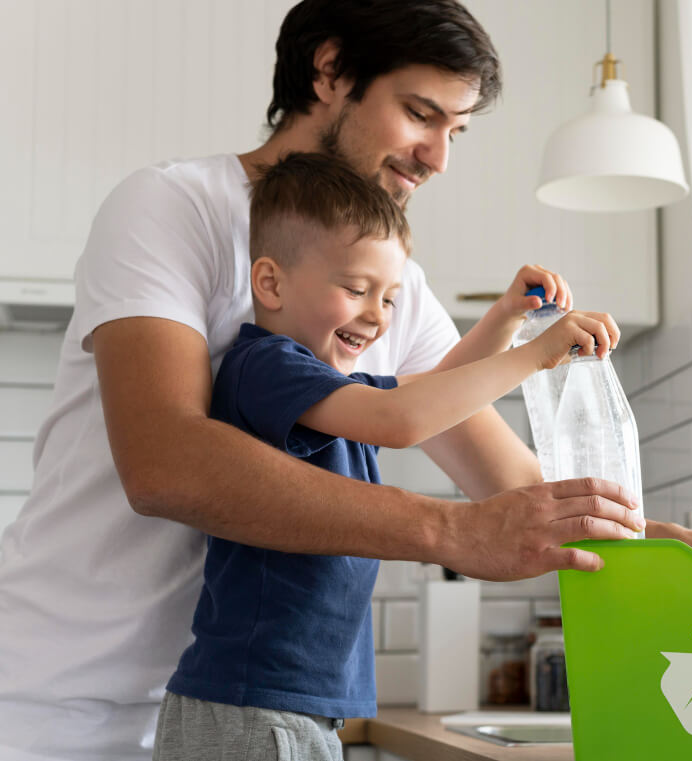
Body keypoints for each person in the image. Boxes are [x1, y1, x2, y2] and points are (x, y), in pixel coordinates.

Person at [0, 2, 692, 759]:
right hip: (60, 705)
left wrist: (684, 546)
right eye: (421, 113)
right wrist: (451, 530)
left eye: (455, 130)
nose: (438, 156)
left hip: (249, 702)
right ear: (330, 72)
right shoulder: (174, 208)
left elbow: (516, 488)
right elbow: (164, 463)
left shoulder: (386, 286)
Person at [153, 150, 628, 760]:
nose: (377, 317)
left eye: (390, 299)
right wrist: (537, 355)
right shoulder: (267, 367)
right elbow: (404, 420)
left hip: (283, 707)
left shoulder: (324, 388)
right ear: (269, 283)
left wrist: (506, 320)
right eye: (356, 289)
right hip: (251, 706)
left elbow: (431, 394)